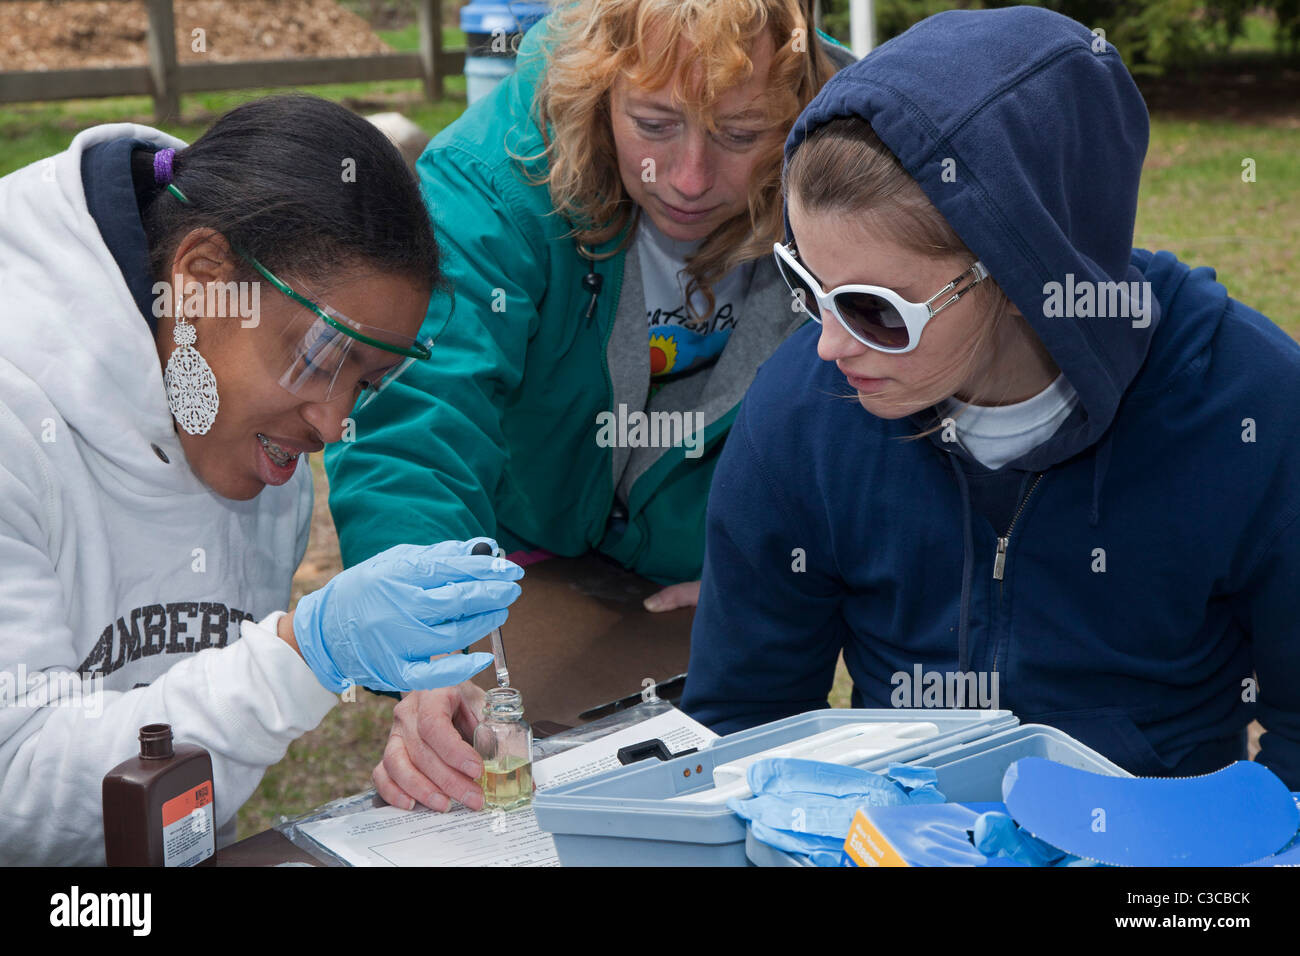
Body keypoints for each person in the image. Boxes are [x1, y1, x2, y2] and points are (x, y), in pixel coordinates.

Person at [679, 6, 1300, 789]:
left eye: (875, 308)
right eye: (807, 285)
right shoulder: (803, 410)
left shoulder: (1249, 409)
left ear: (1022, 275)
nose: (831, 345)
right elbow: (742, 728)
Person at [349, 0, 856, 814]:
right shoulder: (494, 174)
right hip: (528, 546)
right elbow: (417, 416)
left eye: (740, 134)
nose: (688, 179)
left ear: (799, 105)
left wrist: (775, 563)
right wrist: (427, 653)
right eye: (653, 123)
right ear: (598, 84)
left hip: (725, 566)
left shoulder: (862, 159)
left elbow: (904, 415)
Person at [0, 94, 522, 865]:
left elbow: (184, 793)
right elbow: (19, 790)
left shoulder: (259, 456)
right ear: (203, 278)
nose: (333, 424)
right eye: (319, 358)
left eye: (367, 384)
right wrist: (300, 655)